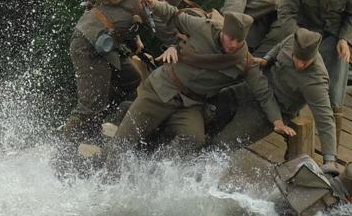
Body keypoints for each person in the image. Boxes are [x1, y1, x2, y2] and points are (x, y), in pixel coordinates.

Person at [109, 9, 272, 153]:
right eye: (231, 38)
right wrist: (153, 3)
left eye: (239, 41)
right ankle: (103, 172)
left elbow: (262, 91)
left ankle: (157, 169)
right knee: (124, 140)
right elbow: (174, 15)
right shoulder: (203, 28)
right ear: (223, 31)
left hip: (190, 104)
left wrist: (277, 120)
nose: (233, 44)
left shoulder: (243, 61)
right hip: (163, 89)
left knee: (193, 138)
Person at [225, 27, 352, 188]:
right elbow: (279, 47)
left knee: (224, 141)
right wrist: (267, 59)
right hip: (257, 87)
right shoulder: (291, 41)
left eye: (305, 61)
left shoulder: (316, 80)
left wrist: (330, 159)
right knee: (214, 109)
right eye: (297, 58)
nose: (300, 64)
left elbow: (325, 119)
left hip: (274, 113)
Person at [266, 0, 352, 108]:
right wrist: (300, 43)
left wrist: (345, 39)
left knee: (340, 62)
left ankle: (334, 111)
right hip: (302, 35)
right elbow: (286, 14)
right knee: (291, 69)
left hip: (333, 36)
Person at [62, 0, 145, 137]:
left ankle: (105, 124)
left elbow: (121, 20)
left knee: (131, 78)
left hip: (105, 42)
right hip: (87, 44)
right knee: (90, 103)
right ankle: (66, 150)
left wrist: (135, 38)